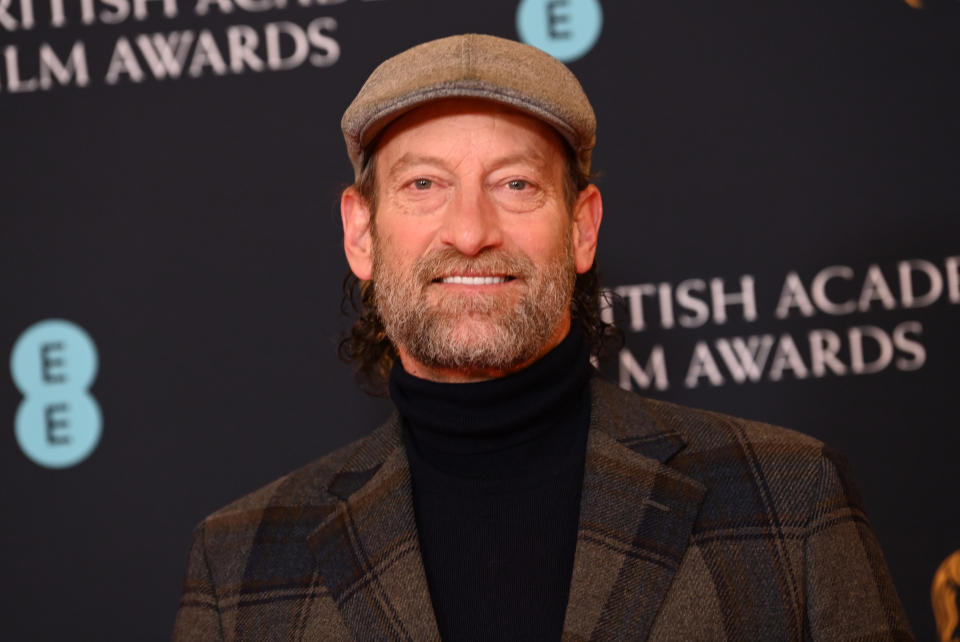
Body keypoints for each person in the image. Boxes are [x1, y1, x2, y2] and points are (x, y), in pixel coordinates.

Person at [172, 34, 913, 641]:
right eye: (424, 184)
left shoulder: (789, 502)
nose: (470, 232)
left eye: (515, 185)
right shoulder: (240, 564)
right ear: (360, 233)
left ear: (582, 226)